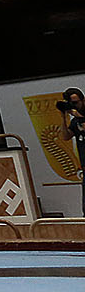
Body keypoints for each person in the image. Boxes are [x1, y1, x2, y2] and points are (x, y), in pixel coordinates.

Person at [62, 87, 85, 215]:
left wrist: (78, 115)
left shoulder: (79, 117)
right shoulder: (75, 121)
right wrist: (63, 118)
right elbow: (65, 136)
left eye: (76, 103)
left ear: (83, 100)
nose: (74, 106)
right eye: (72, 104)